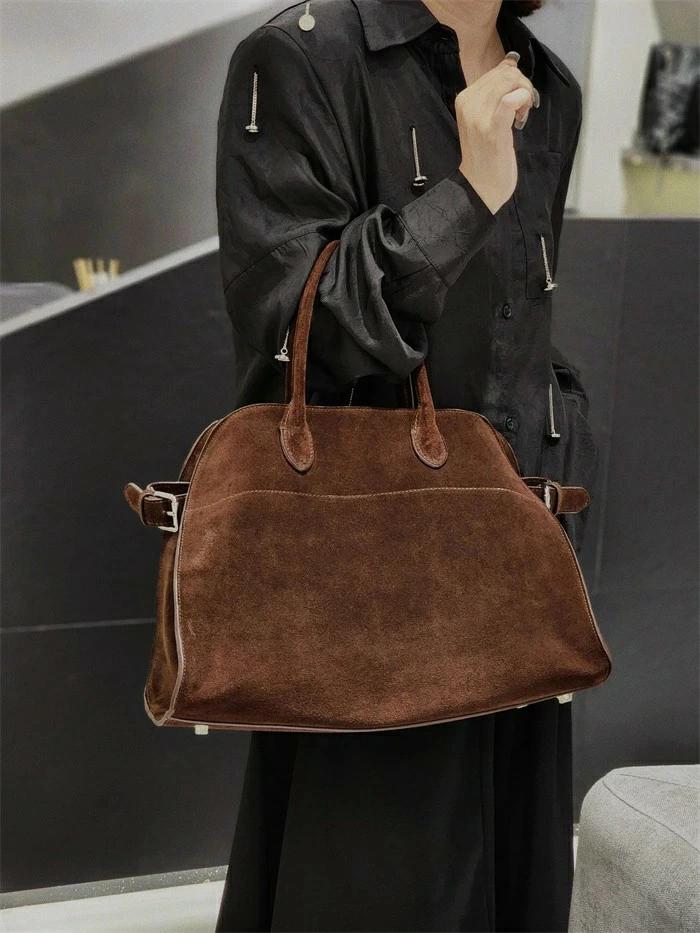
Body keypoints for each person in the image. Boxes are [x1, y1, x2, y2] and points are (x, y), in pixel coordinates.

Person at [214, 1, 595, 930]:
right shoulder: (299, 59)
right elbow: (294, 331)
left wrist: (564, 440)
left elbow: (517, 323)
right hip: (369, 588)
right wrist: (468, 192)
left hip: (519, 570)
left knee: (518, 883)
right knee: (373, 887)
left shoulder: (549, 88)